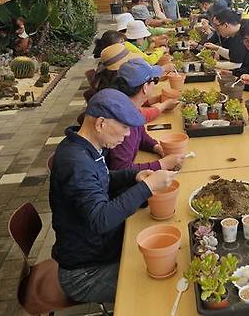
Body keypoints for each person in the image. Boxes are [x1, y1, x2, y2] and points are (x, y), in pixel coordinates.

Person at [50, 88, 177, 304]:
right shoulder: (76, 164)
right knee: (165, 289)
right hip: (85, 275)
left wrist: (135, 176)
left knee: (169, 256)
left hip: (100, 252)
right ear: (101, 124)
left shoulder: (86, 147)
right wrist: (146, 187)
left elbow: (105, 178)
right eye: (125, 127)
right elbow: (100, 219)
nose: (128, 134)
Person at [108, 59, 184, 172]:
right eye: (155, 80)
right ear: (145, 87)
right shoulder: (122, 119)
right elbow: (121, 170)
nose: (155, 84)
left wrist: (157, 148)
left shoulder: (129, 106)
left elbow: (141, 136)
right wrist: (161, 164)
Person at [89, 42, 177, 121]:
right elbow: (137, 114)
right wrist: (164, 105)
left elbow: (135, 99)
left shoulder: (113, 82)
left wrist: (157, 99)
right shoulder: (116, 95)